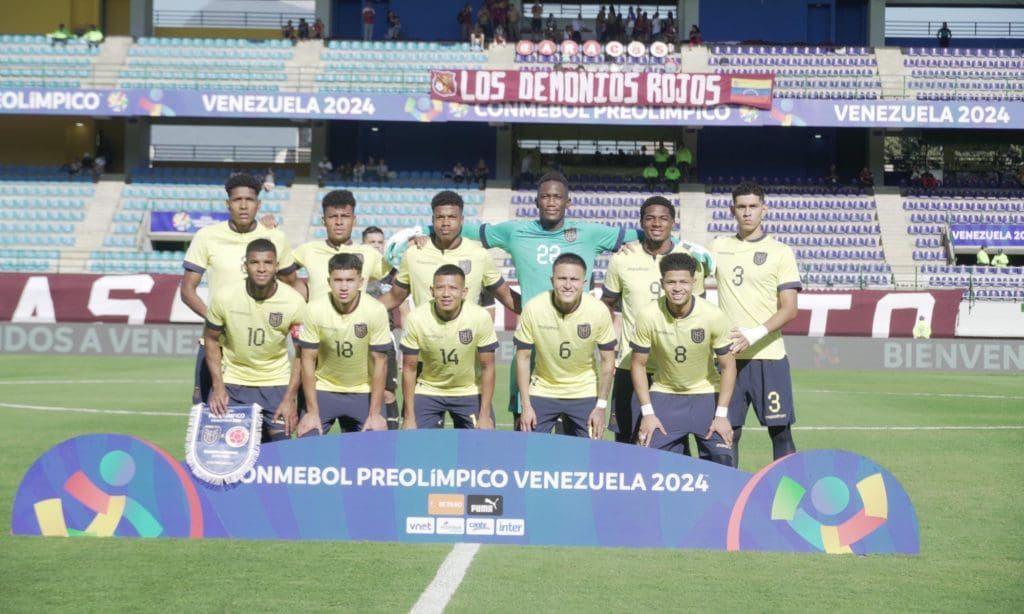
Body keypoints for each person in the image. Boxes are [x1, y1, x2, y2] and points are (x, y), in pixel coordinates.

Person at [181, 173, 298, 406]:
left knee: (267, 429)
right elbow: (187, 290)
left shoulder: (274, 237)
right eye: (237, 200)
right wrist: (217, 321)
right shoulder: (207, 236)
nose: (243, 206)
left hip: (263, 352)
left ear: (259, 204)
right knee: (208, 420)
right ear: (228, 204)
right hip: (217, 345)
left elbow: (292, 285)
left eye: (250, 200)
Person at [601, 196, 708, 444]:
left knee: (673, 441)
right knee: (625, 441)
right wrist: (612, 343)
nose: (656, 224)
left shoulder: (689, 259)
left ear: (673, 222)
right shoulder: (622, 259)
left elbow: (699, 311)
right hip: (630, 363)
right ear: (642, 223)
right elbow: (606, 305)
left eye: (663, 218)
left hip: (673, 370)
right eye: (650, 218)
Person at [712, 182, 802, 467]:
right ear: (732, 211)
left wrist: (755, 333)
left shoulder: (780, 252)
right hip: (730, 359)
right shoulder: (718, 247)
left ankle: (788, 497)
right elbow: (682, 270)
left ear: (764, 209)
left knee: (780, 431)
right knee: (727, 432)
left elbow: (789, 309)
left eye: (753, 207)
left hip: (769, 357)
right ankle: (728, 500)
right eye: (741, 207)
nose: (747, 213)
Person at [632, 253, 735, 466]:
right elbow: (638, 365)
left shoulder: (713, 315)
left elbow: (728, 366)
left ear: (694, 283)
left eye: (683, 282)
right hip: (665, 395)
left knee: (723, 461)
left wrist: (722, 414)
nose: (677, 288)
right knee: (648, 462)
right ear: (662, 283)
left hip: (706, 396)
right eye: (671, 282)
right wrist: (648, 413)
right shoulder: (648, 315)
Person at [204, 239, 306, 442]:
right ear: (245, 266)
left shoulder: (294, 302)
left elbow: (303, 353)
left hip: (276, 384)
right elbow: (211, 339)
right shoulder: (225, 297)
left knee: (281, 458)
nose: (261, 269)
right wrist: (218, 386)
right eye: (254, 262)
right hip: (233, 383)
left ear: (276, 266)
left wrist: (290, 397)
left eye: (268, 263)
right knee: (222, 457)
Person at [515, 253, 616, 437]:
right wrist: (526, 405)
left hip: (584, 390)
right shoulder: (534, 308)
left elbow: (608, 361)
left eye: (574, 279)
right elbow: (523, 358)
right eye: (562, 278)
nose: (568, 285)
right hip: (543, 388)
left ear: (584, 282)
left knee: (589, 454)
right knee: (529, 448)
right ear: (552, 280)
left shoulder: (598, 310)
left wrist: (601, 407)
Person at [296, 253, 392, 435]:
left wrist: (375, 413)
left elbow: (380, 363)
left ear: (361, 282)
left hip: (364, 391)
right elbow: (307, 361)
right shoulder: (314, 309)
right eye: (338, 280)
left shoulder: (376, 310)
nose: (344, 287)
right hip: (324, 388)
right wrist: (312, 412)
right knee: (307, 444)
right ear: (328, 281)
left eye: (350, 280)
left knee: (375, 449)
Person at [379, 191, 517, 314]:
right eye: (440, 217)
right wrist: (360, 312)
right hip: (425, 339)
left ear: (461, 220)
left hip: (466, 340)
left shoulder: (480, 255)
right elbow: (394, 297)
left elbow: (506, 296)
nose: (445, 223)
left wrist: (536, 311)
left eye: (452, 217)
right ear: (432, 220)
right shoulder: (413, 254)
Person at [399, 265, 498, 429]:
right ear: (432, 291)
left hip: (469, 391)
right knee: (413, 441)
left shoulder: (480, 317)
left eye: (453, 288)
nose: (446, 294)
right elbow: (409, 368)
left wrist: (485, 415)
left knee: (482, 442)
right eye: (440, 288)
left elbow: (488, 367)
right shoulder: (416, 318)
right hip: (429, 390)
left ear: (464, 292)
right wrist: (409, 417)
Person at [292, 190, 393, 302]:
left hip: (355, 319)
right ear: (323, 220)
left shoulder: (370, 253)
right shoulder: (308, 250)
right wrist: (303, 295)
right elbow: (280, 272)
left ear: (354, 220)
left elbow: (400, 284)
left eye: (345, 216)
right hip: (316, 319)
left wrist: (376, 309)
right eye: (332, 216)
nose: (339, 222)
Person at [362, 226, 403, 429]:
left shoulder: (393, 272)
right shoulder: (354, 272)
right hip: (358, 337)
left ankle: (393, 434)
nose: (377, 246)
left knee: (388, 391)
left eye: (380, 242)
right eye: (372, 242)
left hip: (385, 336)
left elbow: (404, 310)